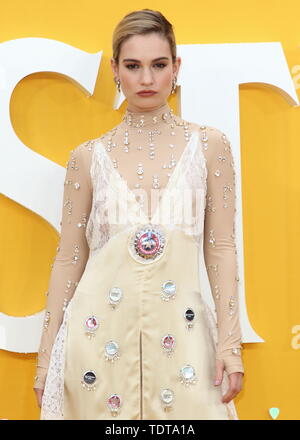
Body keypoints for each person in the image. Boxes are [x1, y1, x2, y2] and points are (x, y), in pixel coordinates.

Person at [33, 8, 244, 420]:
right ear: (115, 69)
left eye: (158, 65)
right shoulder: (87, 157)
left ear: (176, 67)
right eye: (133, 66)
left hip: (184, 342)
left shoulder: (209, 146)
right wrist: (45, 360)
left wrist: (229, 344)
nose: (146, 80)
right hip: (96, 345)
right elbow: (68, 259)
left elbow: (220, 248)